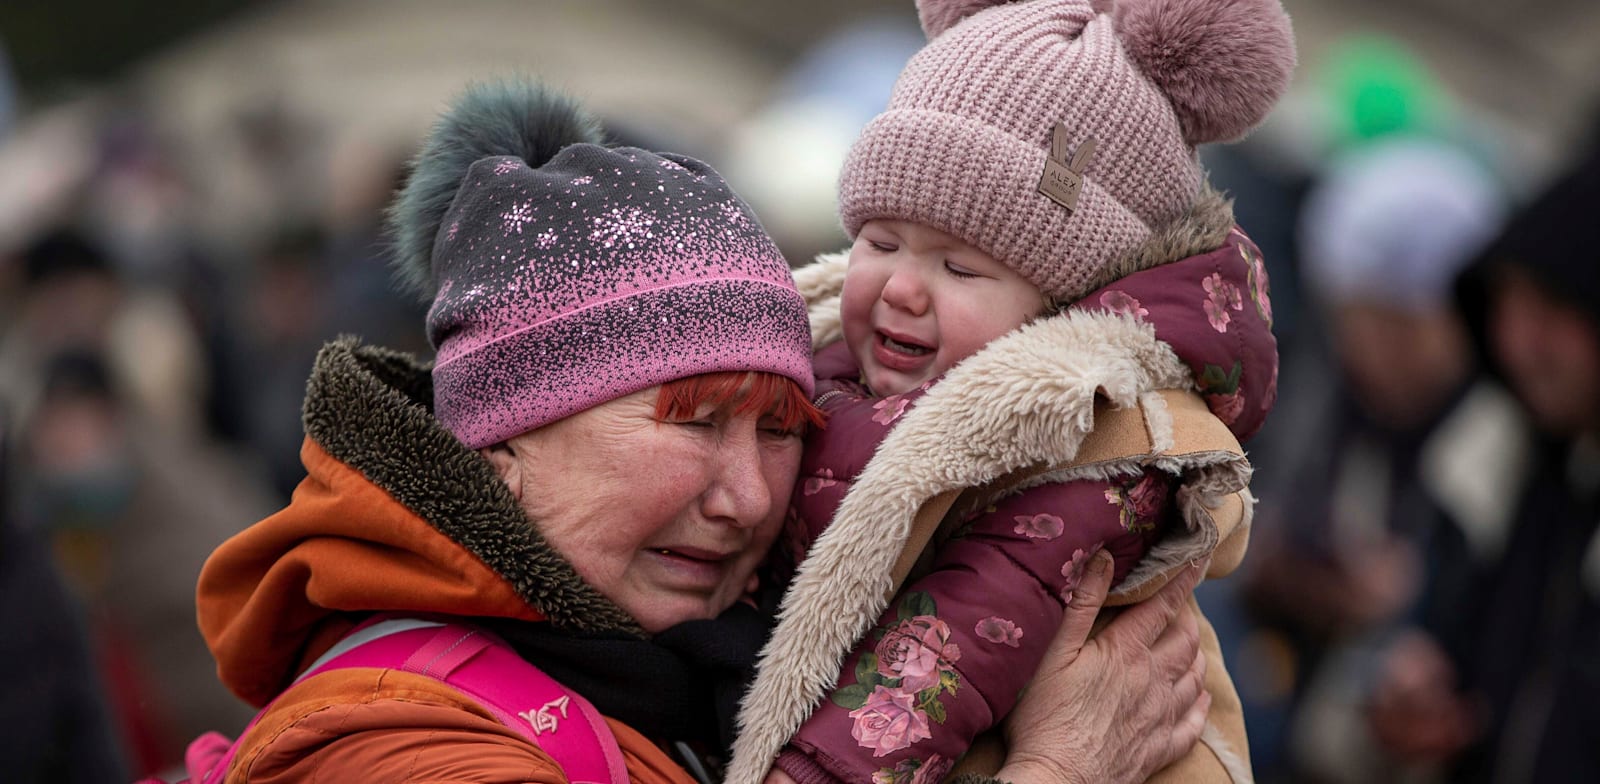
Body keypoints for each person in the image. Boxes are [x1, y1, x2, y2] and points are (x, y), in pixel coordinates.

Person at [189, 80, 1211, 784]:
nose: (752, 496)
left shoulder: (692, 673)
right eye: (692, 422)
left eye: (780, 428)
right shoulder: (395, 739)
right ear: (502, 444)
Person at [724, 1, 1295, 783]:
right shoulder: (829, 354)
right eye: (880, 241)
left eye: (960, 270)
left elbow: (954, 641)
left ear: (1063, 303)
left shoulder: (1089, 446)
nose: (901, 288)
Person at [1365, 140, 1600, 782]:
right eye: (1508, 305)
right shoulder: (1502, 464)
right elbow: (1448, 640)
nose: (1524, 342)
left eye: (1554, 309)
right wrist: (1417, 686)